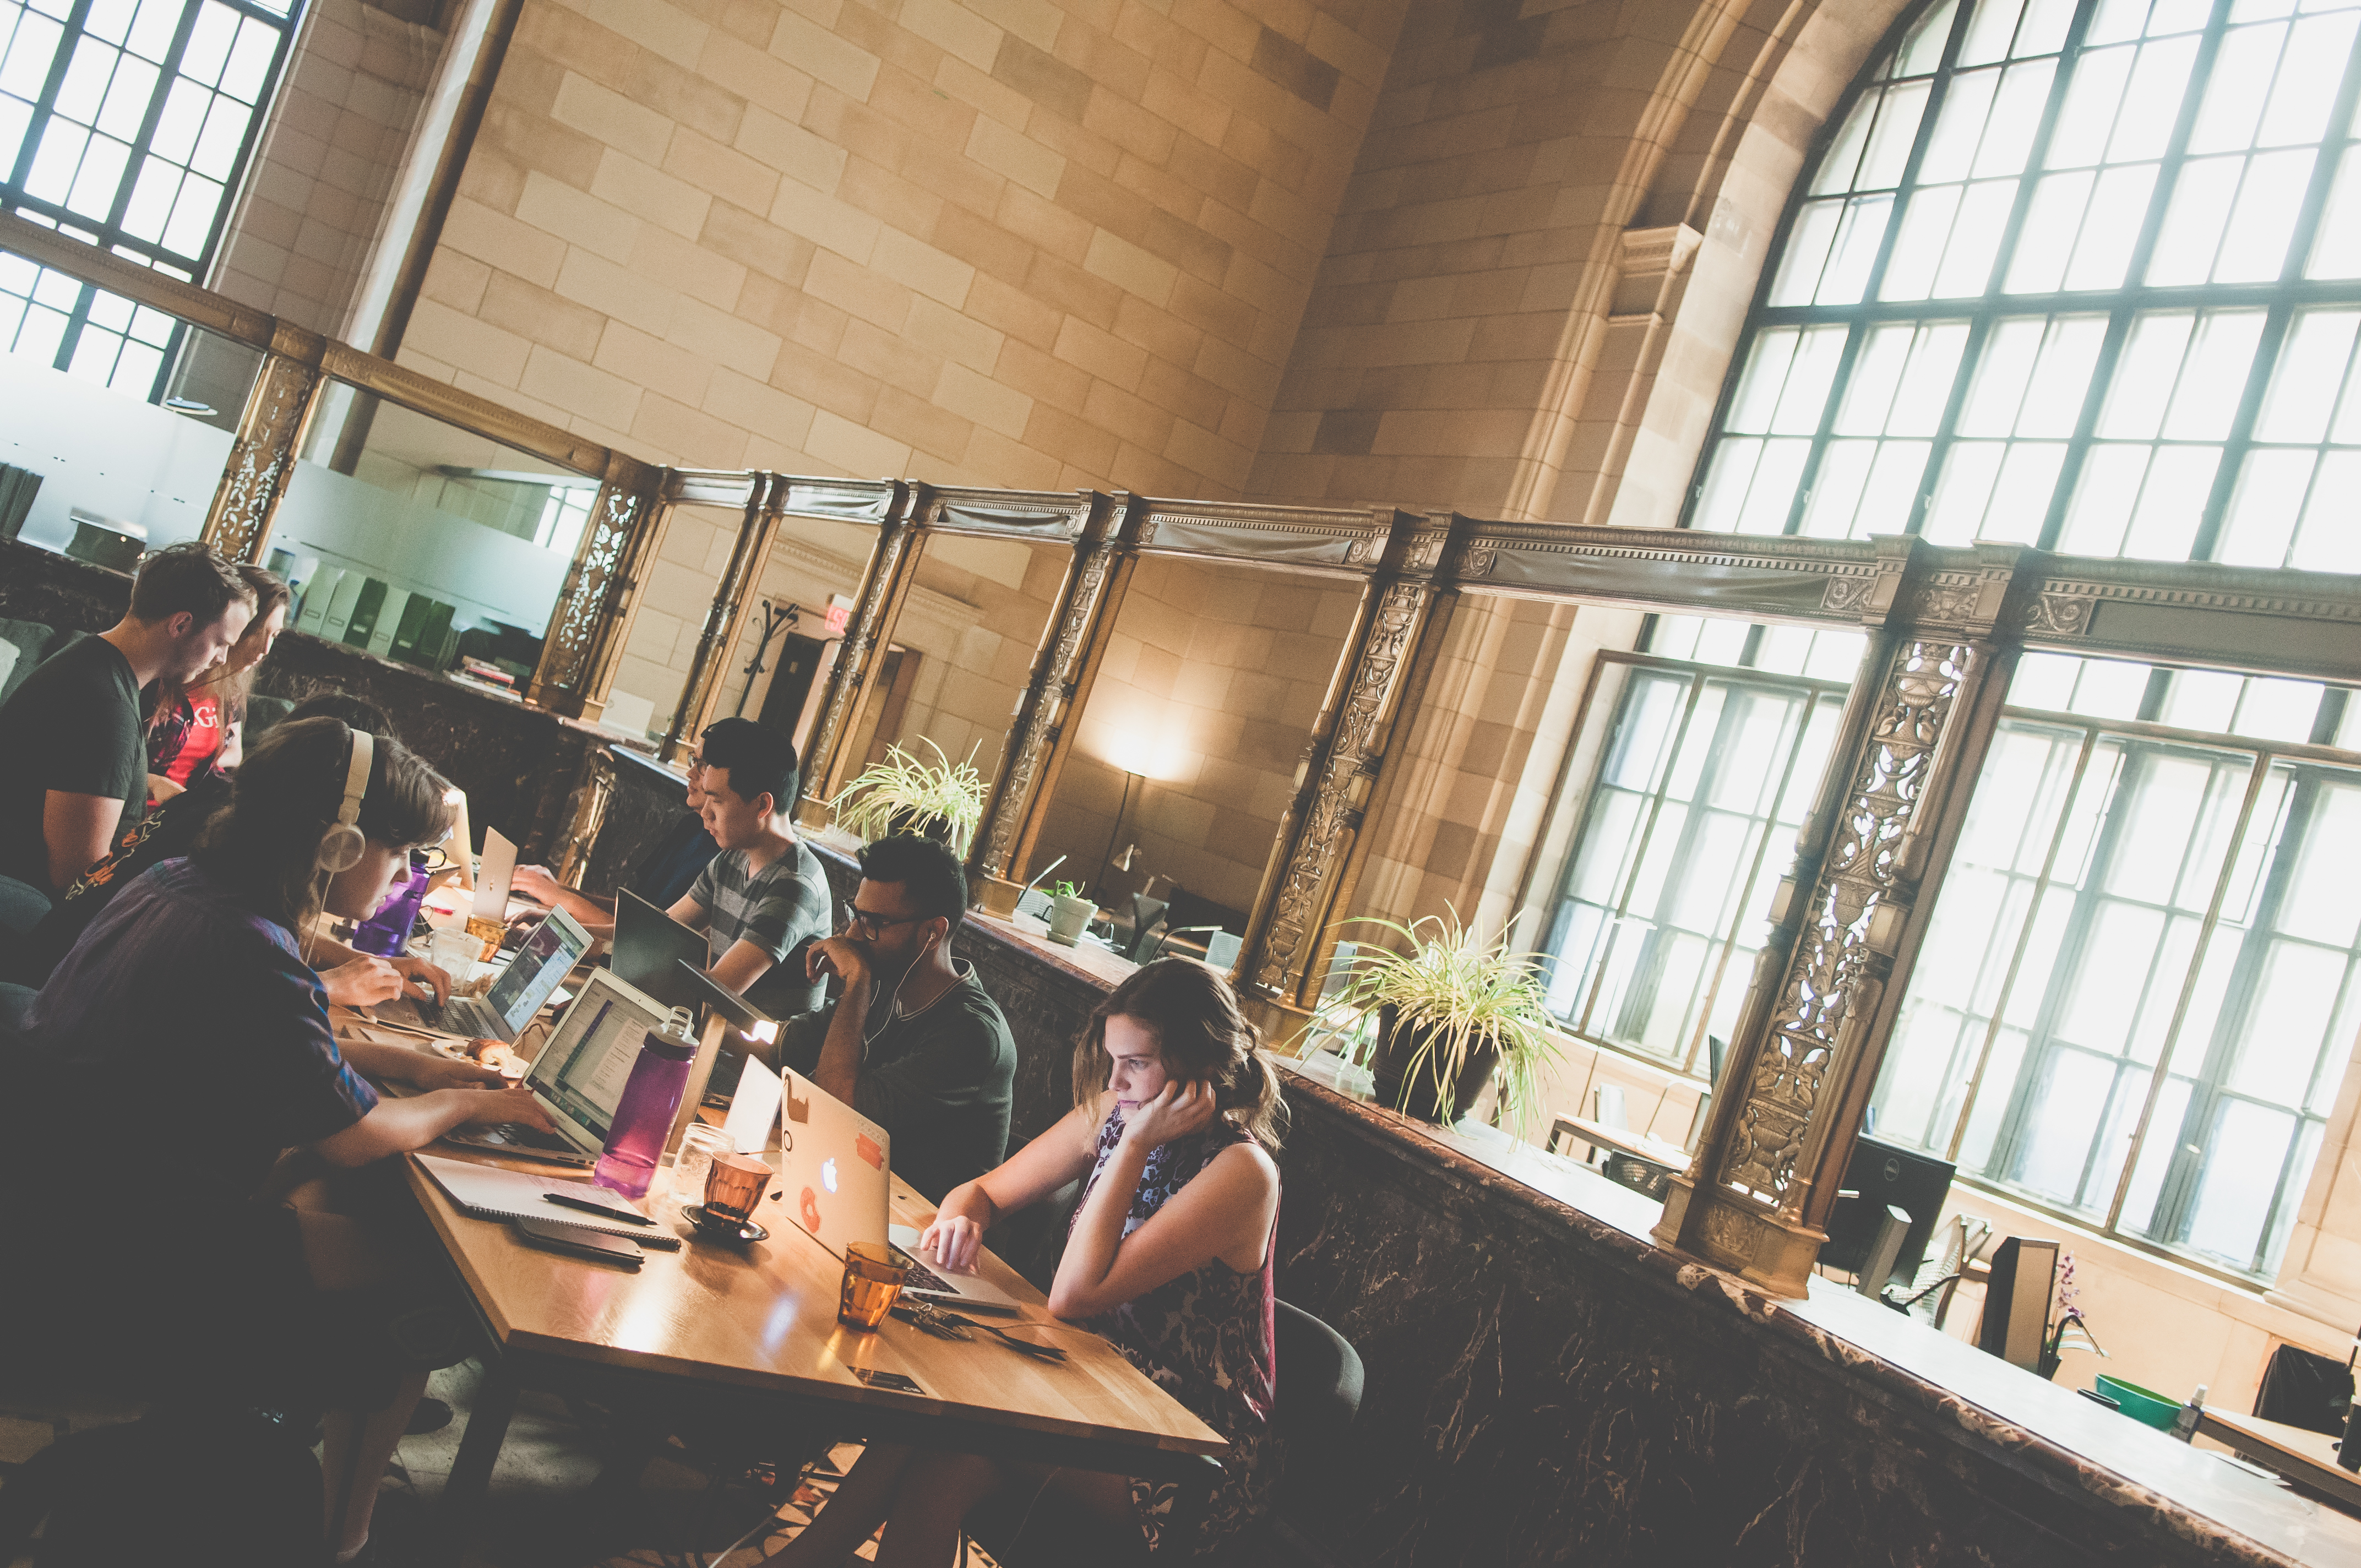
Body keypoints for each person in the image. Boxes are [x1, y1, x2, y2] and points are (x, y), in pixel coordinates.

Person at [0, 716, 556, 1565]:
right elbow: (360, 1134)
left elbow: (262, 1036)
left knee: (321, 1191)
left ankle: (249, 1457)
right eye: (400, 852)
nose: (404, 876)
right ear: (337, 842)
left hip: (62, 1206)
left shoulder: (183, 885)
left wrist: (411, 1061)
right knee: (430, 1278)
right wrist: (459, 1107)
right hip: (130, 1250)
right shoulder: (249, 947)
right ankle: (340, 1532)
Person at [760, 960, 1285, 1565]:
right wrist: (966, 1217)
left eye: (1136, 1063)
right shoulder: (1115, 1111)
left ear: (1199, 1064)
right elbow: (981, 1190)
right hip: (1089, 1380)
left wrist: (1136, 1143)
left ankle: (797, 1562)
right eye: (1112, 1059)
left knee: (945, 1419)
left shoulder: (1241, 1172)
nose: (1116, 1082)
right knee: (938, 1465)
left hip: (1185, 1448)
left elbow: (1075, 1295)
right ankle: (799, 1561)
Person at [6, 694, 455, 1009]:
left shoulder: (227, 807)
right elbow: (234, 987)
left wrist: (360, 963)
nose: (403, 875)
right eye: (396, 849)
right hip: (57, 983)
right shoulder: (220, 848)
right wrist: (321, 987)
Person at [774, 833, 1016, 1204]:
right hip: (850, 1196)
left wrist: (856, 983)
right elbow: (786, 1045)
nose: (852, 934)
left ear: (932, 932)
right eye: (855, 915)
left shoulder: (973, 1034)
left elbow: (838, 1109)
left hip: (916, 1236)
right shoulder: (888, 980)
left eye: (873, 923)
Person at [0, 541, 253, 894]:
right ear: (180, 624)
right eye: (221, 643)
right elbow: (76, 880)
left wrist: (153, 788)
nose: (223, 660)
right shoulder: (106, 707)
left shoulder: (93, 661)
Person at [663, 717, 830, 1019]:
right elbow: (658, 932)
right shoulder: (732, 858)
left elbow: (713, 993)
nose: (704, 812)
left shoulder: (796, 885)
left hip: (744, 1058)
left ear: (762, 805)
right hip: (708, 1033)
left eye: (717, 800)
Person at [510, 745, 720, 940]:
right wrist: (559, 890)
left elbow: (646, 939)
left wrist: (564, 901)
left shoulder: (721, 858)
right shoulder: (692, 824)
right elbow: (634, 911)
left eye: (703, 766)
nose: (690, 773)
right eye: (693, 760)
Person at [146, 562, 291, 802]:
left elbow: (235, 752)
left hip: (177, 819)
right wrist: (157, 782)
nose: (266, 649)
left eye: (274, 635)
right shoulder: (165, 677)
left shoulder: (231, 691)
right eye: (259, 632)